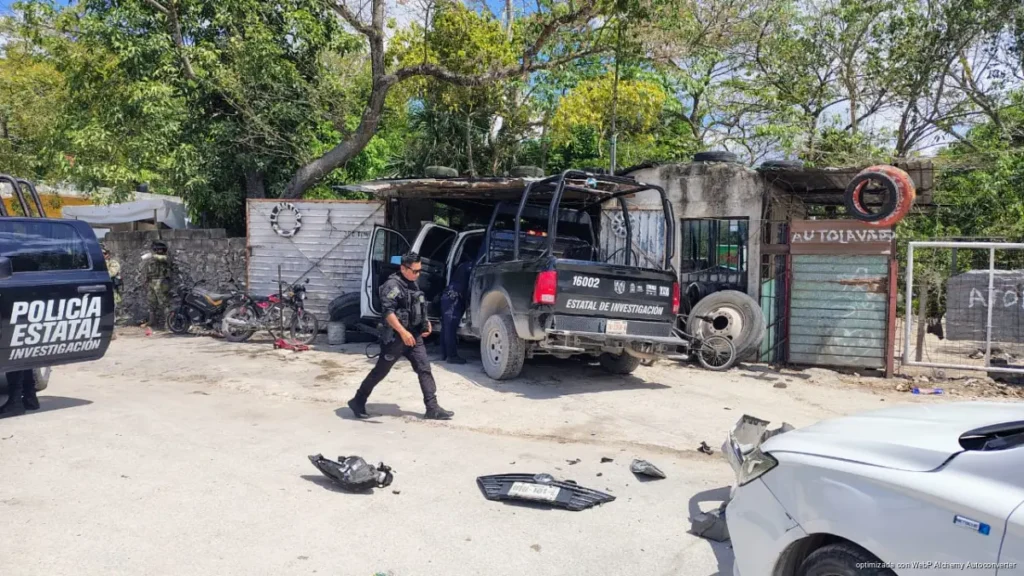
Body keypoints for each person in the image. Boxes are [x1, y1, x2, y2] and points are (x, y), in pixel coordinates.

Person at [348, 252, 454, 420]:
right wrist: (403, 332)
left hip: (413, 336)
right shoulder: (392, 285)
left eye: (419, 271)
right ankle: (358, 400)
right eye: (414, 271)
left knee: (424, 369)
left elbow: (417, 305)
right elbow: (388, 313)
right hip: (395, 339)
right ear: (403, 268)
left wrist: (425, 323)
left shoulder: (412, 283)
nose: (417, 274)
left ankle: (432, 407)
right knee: (380, 372)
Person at [440, 259, 474, 364]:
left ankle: (445, 354)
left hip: (448, 297)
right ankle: (451, 356)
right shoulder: (470, 266)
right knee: (450, 328)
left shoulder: (462, 266)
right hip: (453, 299)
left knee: (446, 327)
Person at [142, 241, 173, 330]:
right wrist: (146, 280)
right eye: (157, 249)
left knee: (164, 303)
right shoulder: (152, 259)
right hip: (152, 282)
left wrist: (152, 255)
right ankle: (152, 322)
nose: (159, 250)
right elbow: (148, 270)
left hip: (161, 282)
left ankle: (168, 324)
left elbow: (165, 259)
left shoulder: (165, 257)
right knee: (151, 303)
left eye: (160, 249)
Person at [103, 246, 122, 340]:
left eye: (104, 254)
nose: (103, 255)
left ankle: (112, 333)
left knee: (110, 313)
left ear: (108, 254)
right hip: (101, 291)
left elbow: (110, 274)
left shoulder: (113, 263)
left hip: (111, 292)